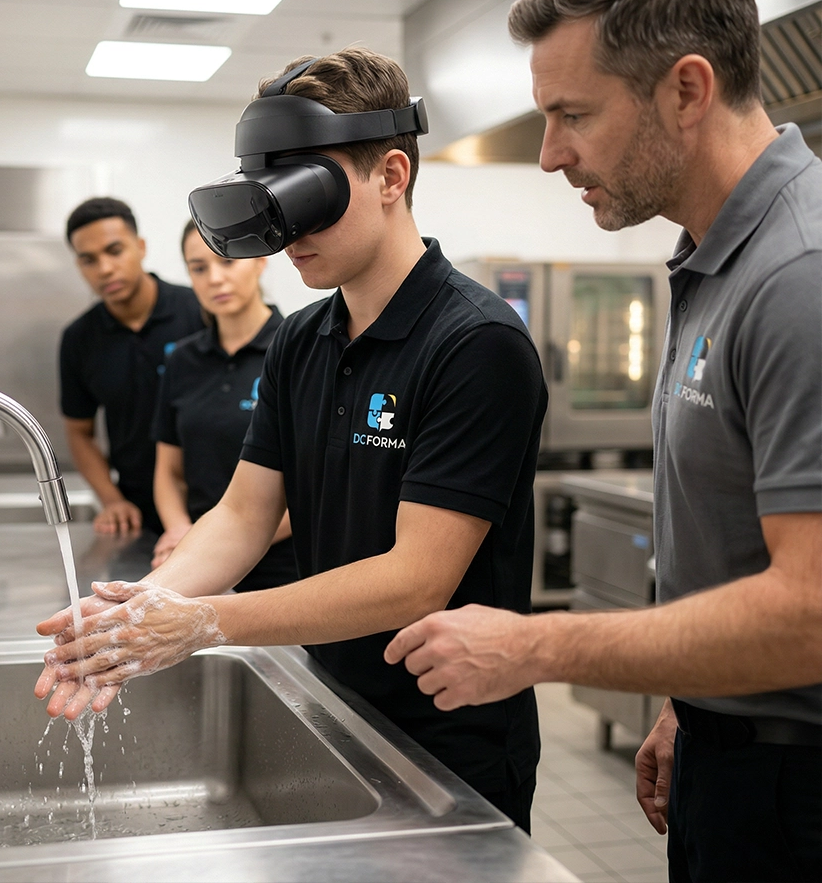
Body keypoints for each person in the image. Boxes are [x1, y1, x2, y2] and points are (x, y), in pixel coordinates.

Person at [36, 47, 549, 832]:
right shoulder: (301, 341)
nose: (287, 236)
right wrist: (144, 608)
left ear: (391, 176)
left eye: (309, 199)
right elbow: (244, 516)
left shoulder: (475, 344)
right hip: (335, 706)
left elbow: (416, 579)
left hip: (451, 739)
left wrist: (205, 623)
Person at [381, 0, 822, 881]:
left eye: (573, 114)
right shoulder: (714, 258)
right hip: (731, 750)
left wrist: (536, 645)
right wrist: (690, 703)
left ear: (687, 90)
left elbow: (811, 611)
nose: (550, 154)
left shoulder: (799, 276)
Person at [150, 221, 296, 590]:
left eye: (227, 261)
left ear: (260, 260)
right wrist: (180, 531)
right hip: (199, 565)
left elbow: (316, 485)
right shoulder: (182, 360)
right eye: (199, 268)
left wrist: (210, 547)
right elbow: (169, 471)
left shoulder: (298, 351)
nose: (214, 278)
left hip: (282, 571)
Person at [59, 197, 205, 535]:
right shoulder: (79, 339)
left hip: (213, 502)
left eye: (115, 251)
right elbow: (79, 432)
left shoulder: (199, 311)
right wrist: (111, 500)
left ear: (140, 247)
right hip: (138, 513)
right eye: (89, 260)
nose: (104, 269)